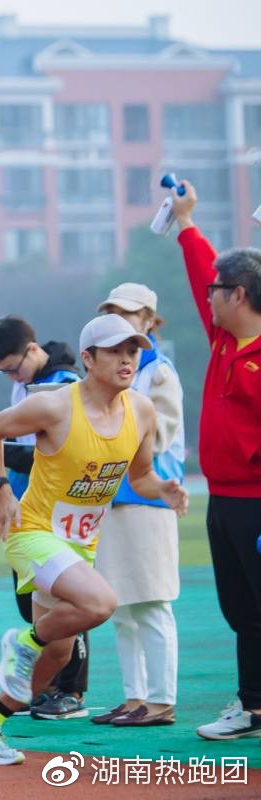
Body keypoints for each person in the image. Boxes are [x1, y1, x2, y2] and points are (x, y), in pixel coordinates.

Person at [0, 314, 188, 766]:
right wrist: (1, 487)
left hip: (78, 545)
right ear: (88, 358)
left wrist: (162, 488)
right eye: (115, 352)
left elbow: (140, 476)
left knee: (57, 659)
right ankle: (22, 643)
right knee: (101, 604)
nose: (127, 360)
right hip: (34, 533)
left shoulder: (141, 411)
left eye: (133, 351)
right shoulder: (57, 406)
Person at [170, 183, 261, 740]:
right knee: (242, 609)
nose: (207, 295)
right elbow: (202, 266)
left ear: (241, 294)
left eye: (216, 291)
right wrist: (185, 223)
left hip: (257, 502)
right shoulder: (225, 342)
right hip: (223, 500)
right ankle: (253, 706)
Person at [0, 316, 89, 720]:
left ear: (32, 349)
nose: (10, 375)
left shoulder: (63, 385)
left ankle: (72, 690)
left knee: (71, 603)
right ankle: (45, 686)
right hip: (27, 506)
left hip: (58, 513)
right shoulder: (24, 385)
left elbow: (54, 453)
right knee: (34, 608)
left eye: (12, 367)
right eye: (2, 371)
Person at [92, 283, 185, 727]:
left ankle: (161, 700)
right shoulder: (107, 378)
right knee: (121, 606)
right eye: (113, 313)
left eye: (131, 314)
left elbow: (161, 436)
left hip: (149, 499)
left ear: (150, 320)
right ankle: (134, 697)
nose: (123, 320)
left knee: (151, 602)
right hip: (111, 499)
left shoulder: (159, 373)